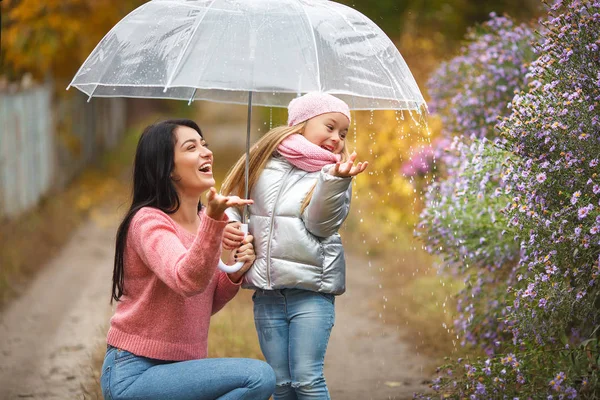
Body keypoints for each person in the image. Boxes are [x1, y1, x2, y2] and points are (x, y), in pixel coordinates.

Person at [100, 119, 276, 400]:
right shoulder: (148, 223)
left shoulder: (204, 220)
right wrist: (214, 225)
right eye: (191, 147)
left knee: (260, 380)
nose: (206, 152)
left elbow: (201, 302)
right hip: (134, 373)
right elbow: (186, 280)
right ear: (168, 169)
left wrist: (234, 271)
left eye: (204, 145)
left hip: (181, 372)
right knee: (258, 377)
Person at [220, 93, 368, 399]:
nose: (336, 138)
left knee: (307, 379)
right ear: (300, 123)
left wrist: (334, 182)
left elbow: (320, 225)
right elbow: (232, 202)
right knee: (281, 384)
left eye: (343, 133)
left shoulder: (333, 174)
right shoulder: (261, 161)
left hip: (311, 292)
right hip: (267, 294)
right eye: (329, 126)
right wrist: (232, 224)